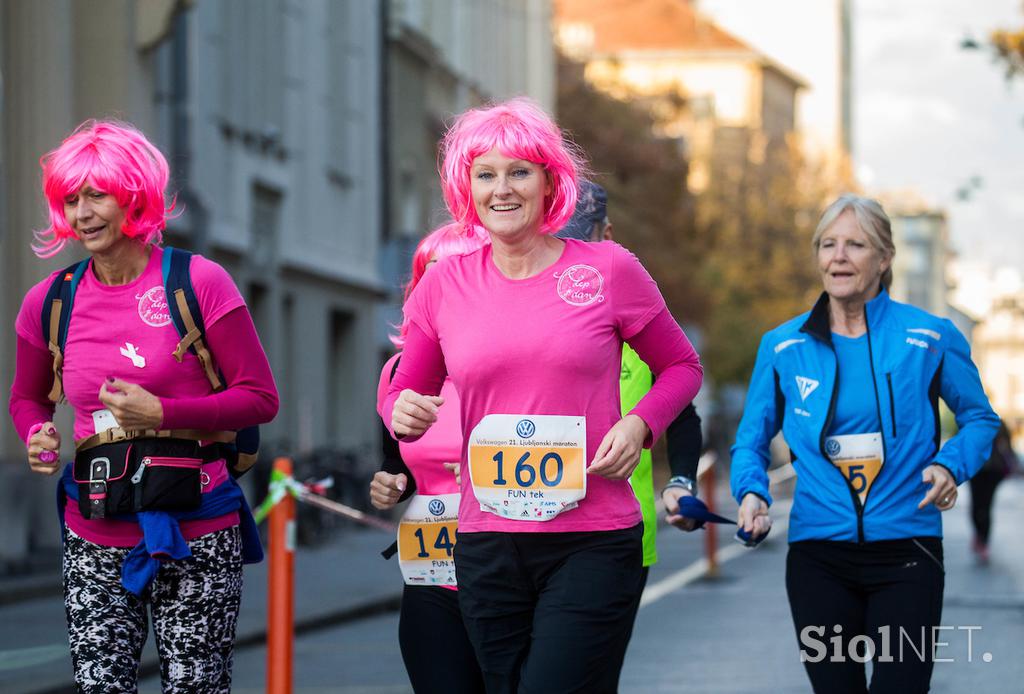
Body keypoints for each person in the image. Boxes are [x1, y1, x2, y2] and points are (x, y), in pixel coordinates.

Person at [383, 98, 703, 693]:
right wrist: (401, 411)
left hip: (593, 539)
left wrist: (639, 427)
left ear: (550, 181)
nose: (502, 190)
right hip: (485, 541)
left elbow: (682, 367)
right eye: (486, 175)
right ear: (466, 187)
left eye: (519, 172)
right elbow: (409, 389)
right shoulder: (443, 285)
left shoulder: (609, 270)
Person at [8, 120, 279, 693]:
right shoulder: (50, 301)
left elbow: (259, 398)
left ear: (134, 196)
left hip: (197, 523)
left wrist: (163, 415)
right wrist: (36, 430)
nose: (82, 214)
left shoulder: (197, 282)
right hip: (94, 526)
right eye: (70, 199)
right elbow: (28, 396)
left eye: (97, 195)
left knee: (196, 687)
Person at [730, 194, 999, 693]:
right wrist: (753, 494)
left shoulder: (930, 337)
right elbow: (751, 440)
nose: (839, 256)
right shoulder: (783, 346)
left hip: (908, 552)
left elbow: (981, 419)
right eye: (828, 244)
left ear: (884, 258)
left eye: (855, 244)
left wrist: (949, 464)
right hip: (817, 556)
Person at [370, 222, 489, 693]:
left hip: (513, 568)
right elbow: (397, 465)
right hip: (433, 571)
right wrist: (389, 485)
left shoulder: (516, 364)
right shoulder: (398, 372)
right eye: (430, 277)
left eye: (457, 276)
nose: (442, 291)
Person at [969, 419, 1017, 564]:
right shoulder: (970, 421)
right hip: (976, 469)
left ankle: (983, 540)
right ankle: (979, 534)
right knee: (977, 505)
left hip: (993, 470)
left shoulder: (999, 423)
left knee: (985, 506)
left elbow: (1008, 445)